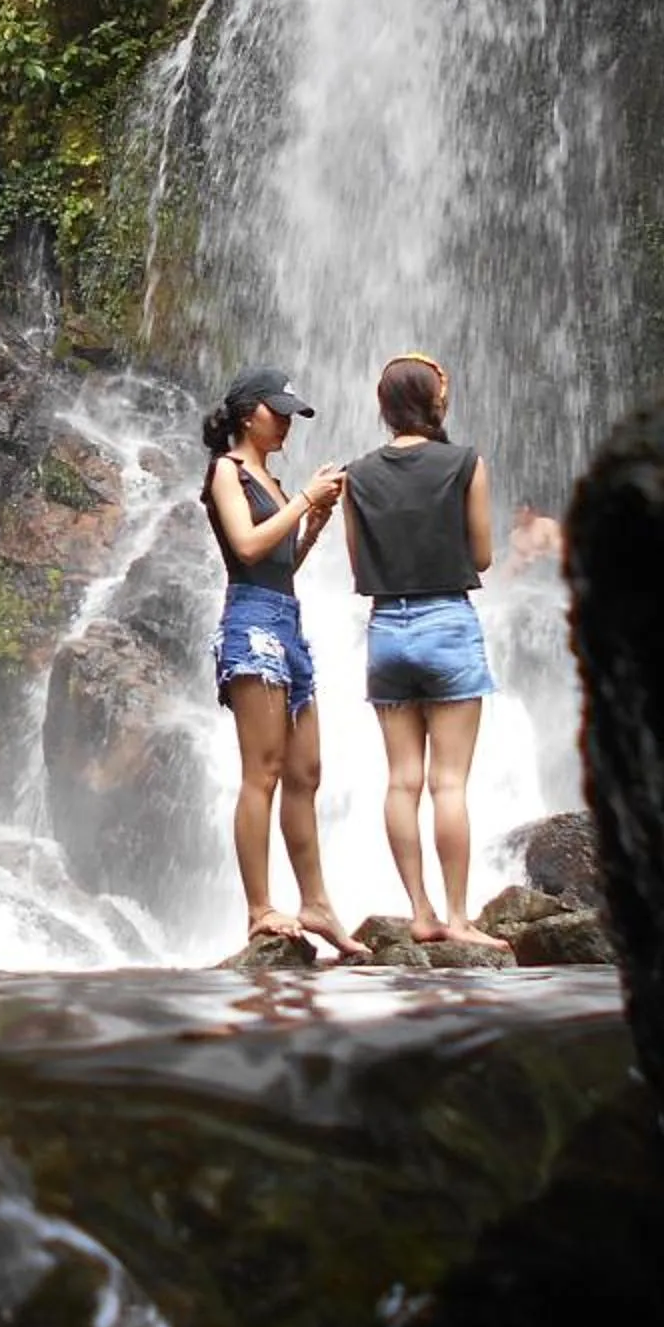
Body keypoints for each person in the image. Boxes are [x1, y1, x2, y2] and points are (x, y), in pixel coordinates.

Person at [200, 365, 369, 958]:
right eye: (280, 412)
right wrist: (304, 500)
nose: (288, 424)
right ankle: (258, 908)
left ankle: (317, 903)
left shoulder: (271, 480)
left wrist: (313, 522)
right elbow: (245, 548)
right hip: (250, 625)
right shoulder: (229, 471)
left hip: (286, 622)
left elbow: (278, 564)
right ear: (249, 413)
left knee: (306, 772)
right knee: (263, 770)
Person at [342, 352, 502, 948]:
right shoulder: (465, 463)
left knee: (402, 781)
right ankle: (459, 919)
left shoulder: (357, 474)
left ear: (384, 409)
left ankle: (420, 911)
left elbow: (359, 565)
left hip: (387, 630)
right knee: (449, 784)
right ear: (436, 401)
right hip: (446, 621)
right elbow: (481, 556)